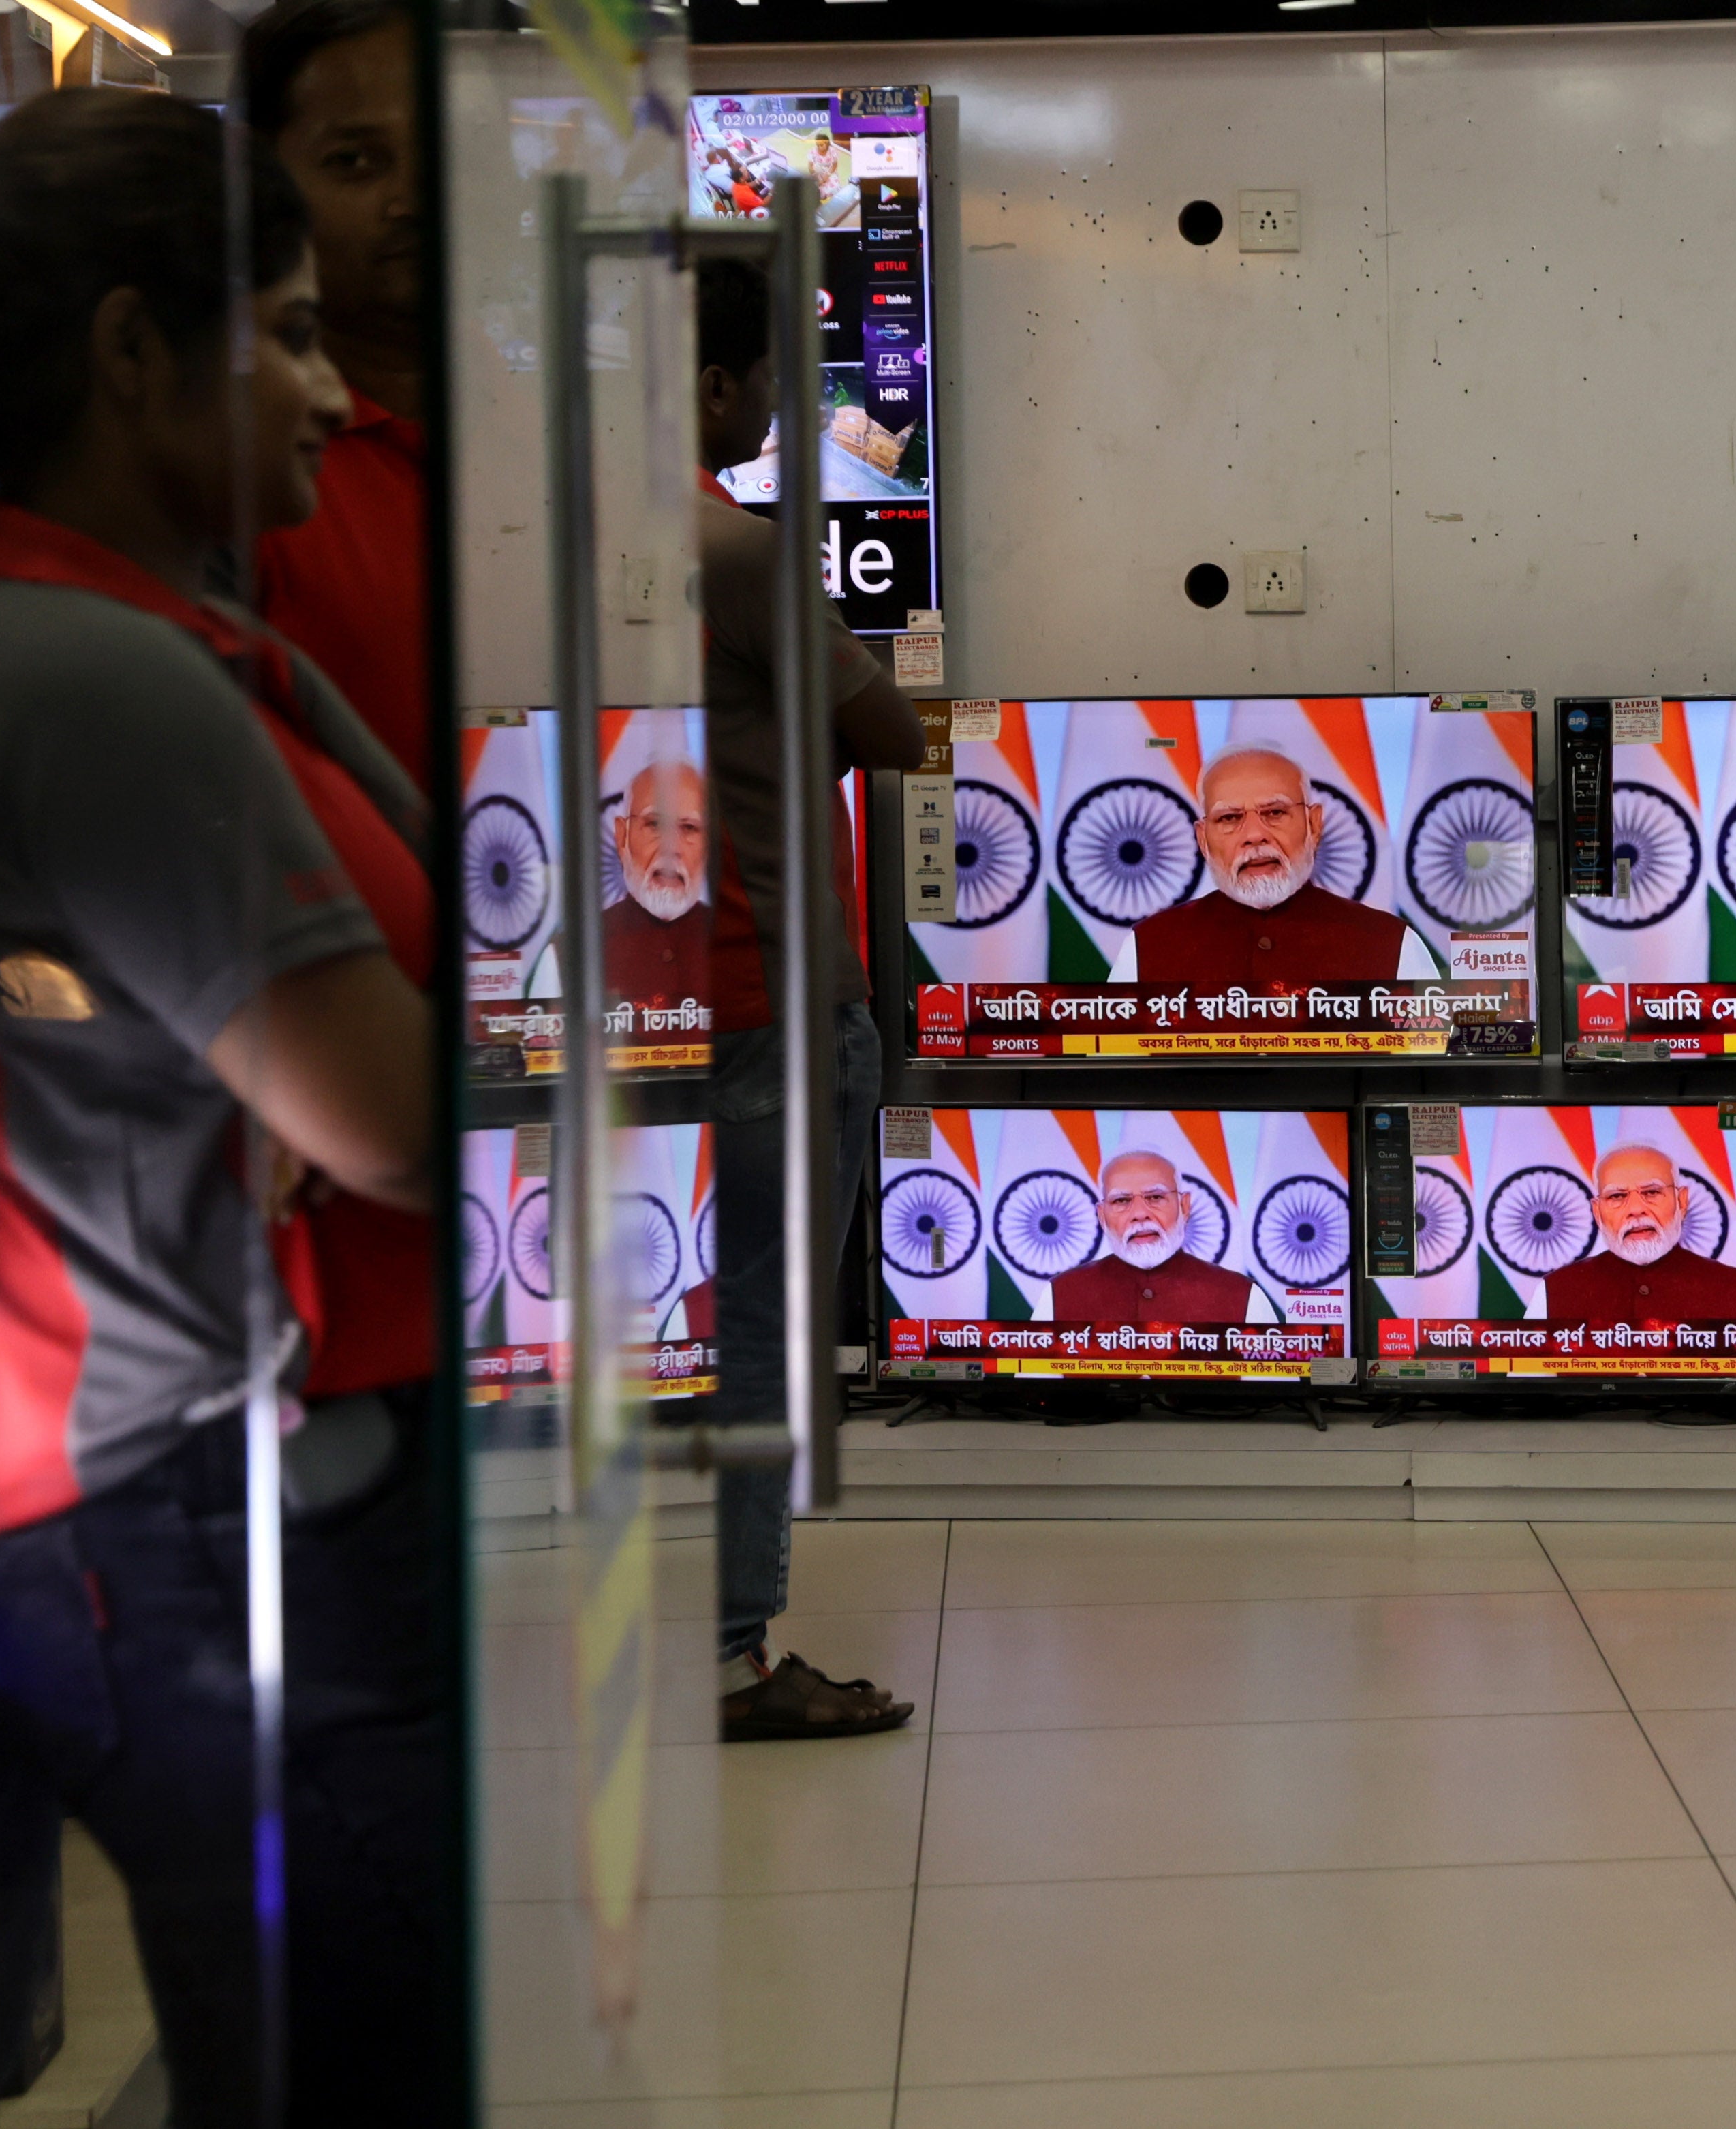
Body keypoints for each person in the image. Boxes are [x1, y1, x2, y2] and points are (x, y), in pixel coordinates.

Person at [0, 91, 456, 2125]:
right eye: (274, 331)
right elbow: (384, 1113)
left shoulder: (131, 633)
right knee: (327, 2043)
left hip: (178, 1479)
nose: (315, 383)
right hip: (153, 1513)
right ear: (128, 353)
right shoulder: (93, 675)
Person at [689, 253, 927, 1741]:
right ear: (717, 385)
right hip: (779, 987)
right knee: (773, 1333)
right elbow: (890, 725)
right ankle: (732, 1654)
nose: (784, 404)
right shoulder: (733, 550)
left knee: (721, 1320)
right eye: (774, 376)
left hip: (665, 991)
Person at [243, 0, 421, 778]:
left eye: (445, 153)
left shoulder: (581, 436)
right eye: (355, 160)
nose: (412, 201)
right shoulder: (231, 468)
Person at [1117, 744, 1440, 985]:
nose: (1255, 835)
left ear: (1314, 825)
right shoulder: (1148, 947)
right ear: (1203, 840)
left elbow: (1430, 1069)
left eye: (1275, 813)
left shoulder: (1391, 944)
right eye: (1230, 818)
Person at [1542, 1144, 1736, 1321]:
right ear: (1597, 1212)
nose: (1636, 1210)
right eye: (1617, 1196)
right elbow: (1528, 1385)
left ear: (1682, 1202)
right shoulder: (1553, 1292)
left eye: (1652, 1193)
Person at [1048, 1150, 1258, 1319]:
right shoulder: (1059, 1295)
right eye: (1121, 1201)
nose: (1140, 1215)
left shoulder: (1243, 1296)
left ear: (1184, 1207)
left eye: (1156, 1197)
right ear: (1102, 1217)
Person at [603, 718, 713, 1022]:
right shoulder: (567, 955)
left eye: (690, 828)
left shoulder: (742, 947)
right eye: (654, 824)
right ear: (622, 836)